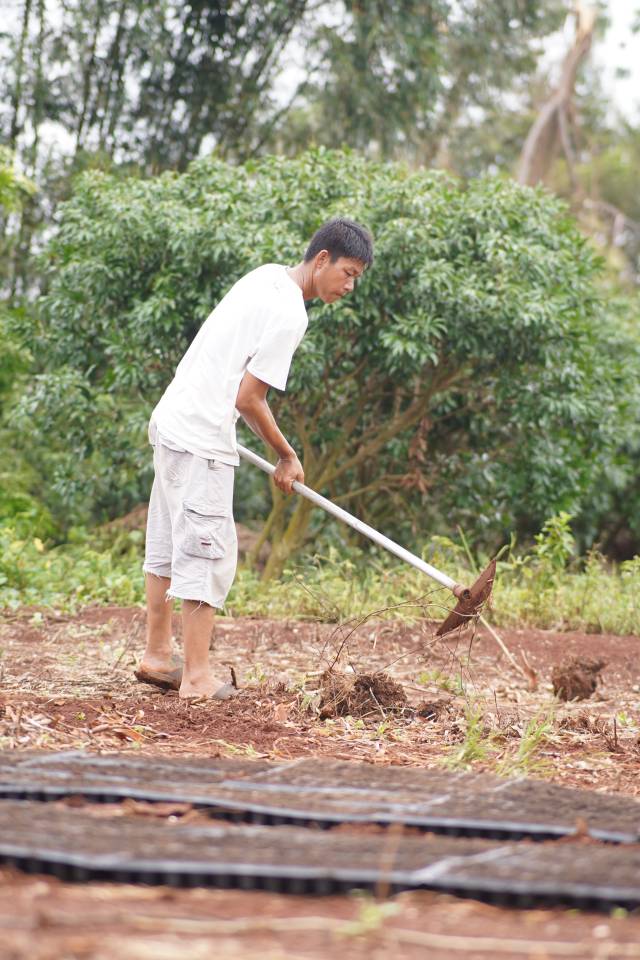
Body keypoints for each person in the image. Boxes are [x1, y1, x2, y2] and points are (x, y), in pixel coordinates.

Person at [135, 217, 374, 699]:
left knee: (166, 544)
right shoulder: (292, 314)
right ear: (321, 259)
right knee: (208, 550)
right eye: (347, 273)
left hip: (173, 419)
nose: (350, 286)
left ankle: (159, 656)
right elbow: (249, 398)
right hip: (200, 435)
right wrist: (287, 456)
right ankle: (197, 678)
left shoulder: (265, 276)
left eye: (357, 279)